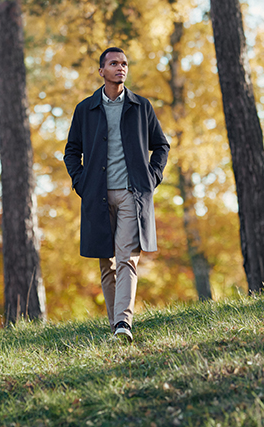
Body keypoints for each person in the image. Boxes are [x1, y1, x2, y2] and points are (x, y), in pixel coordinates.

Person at [63, 47, 170, 342]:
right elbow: (72, 151)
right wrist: (80, 182)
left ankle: (124, 323)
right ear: (102, 71)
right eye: (114, 64)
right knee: (106, 262)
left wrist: (152, 177)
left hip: (131, 195)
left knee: (127, 258)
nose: (120, 68)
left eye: (124, 64)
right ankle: (115, 326)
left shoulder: (141, 106)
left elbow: (161, 146)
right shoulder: (85, 109)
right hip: (96, 195)